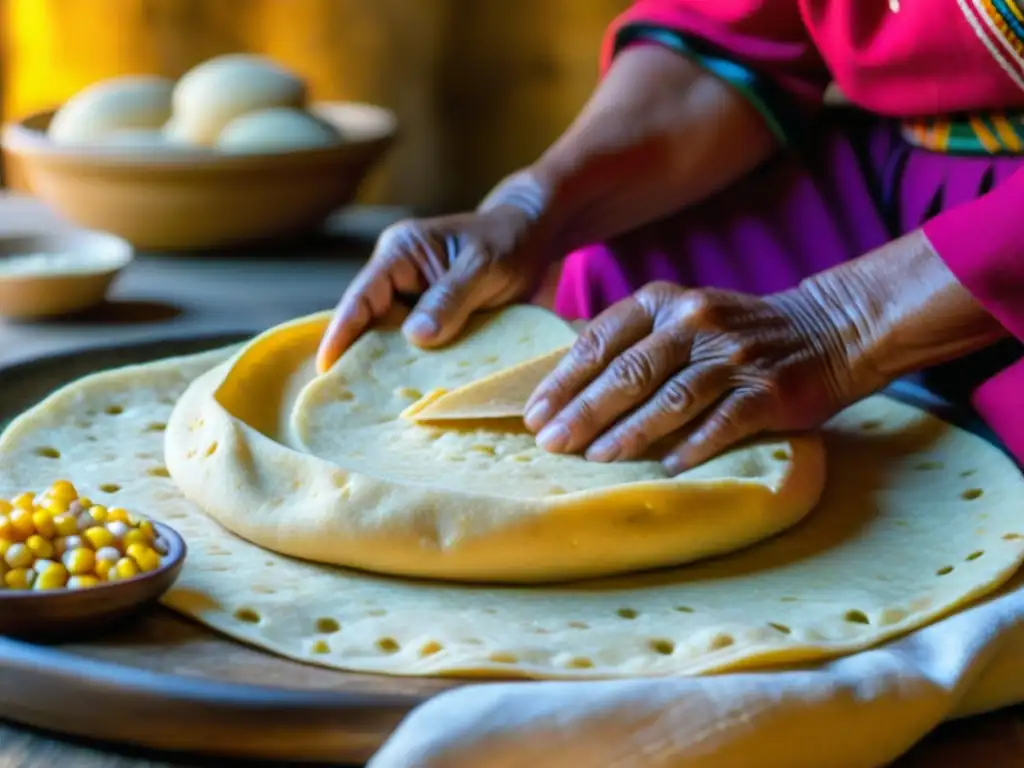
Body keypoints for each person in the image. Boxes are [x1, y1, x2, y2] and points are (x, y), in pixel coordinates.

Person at [317, 0, 1024, 473]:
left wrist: (839, 322)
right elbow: (738, 28)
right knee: (634, 283)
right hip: (908, 162)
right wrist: (537, 203)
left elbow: (833, 323)